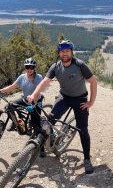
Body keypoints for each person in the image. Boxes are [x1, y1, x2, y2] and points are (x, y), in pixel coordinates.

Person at [27, 40, 97, 174]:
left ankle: (87, 159)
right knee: (49, 121)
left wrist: (90, 102)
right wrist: (34, 95)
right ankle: (47, 142)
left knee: (83, 129)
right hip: (64, 97)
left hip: (80, 99)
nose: (64, 54)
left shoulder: (80, 65)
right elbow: (44, 82)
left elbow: (93, 81)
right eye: (62, 51)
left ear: (71, 52)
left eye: (67, 51)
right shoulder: (56, 66)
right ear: (59, 53)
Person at [0, 58, 46, 157]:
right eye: (27, 67)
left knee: (36, 125)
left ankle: (42, 148)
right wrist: (0, 91)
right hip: (25, 99)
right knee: (9, 107)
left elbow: (38, 92)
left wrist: (33, 105)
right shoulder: (22, 77)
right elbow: (12, 87)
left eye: (31, 67)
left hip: (36, 101)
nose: (29, 69)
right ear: (25, 68)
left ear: (34, 68)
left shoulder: (38, 77)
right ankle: (15, 123)